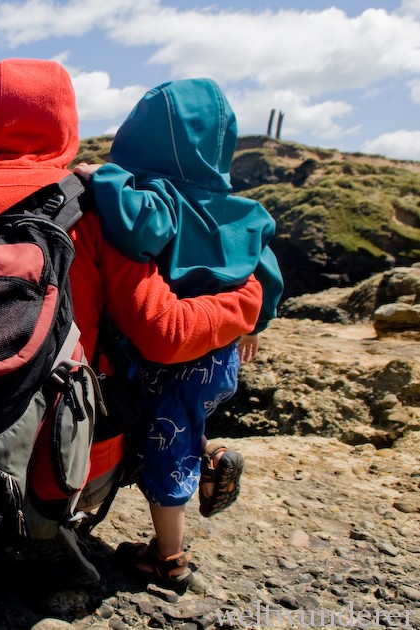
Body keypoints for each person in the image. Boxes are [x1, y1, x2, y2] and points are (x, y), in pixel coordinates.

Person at [0, 59, 265, 583]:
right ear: (66, 121)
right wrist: (247, 300)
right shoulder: (93, 203)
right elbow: (165, 334)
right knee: (144, 372)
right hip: (67, 473)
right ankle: (183, 464)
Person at [74, 77, 284, 588]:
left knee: (162, 443)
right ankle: (211, 454)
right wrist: (256, 322)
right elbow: (269, 271)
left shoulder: (161, 199)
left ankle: (170, 558)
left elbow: (138, 226)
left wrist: (101, 178)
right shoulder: (245, 214)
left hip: (173, 357)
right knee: (183, 421)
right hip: (220, 356)